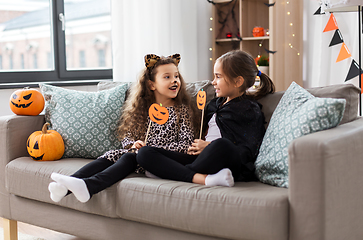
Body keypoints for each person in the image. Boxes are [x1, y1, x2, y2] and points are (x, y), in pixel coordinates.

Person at [48, 53, 199, 203]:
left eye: (176, 76)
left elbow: (186, 145)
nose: (174, 81)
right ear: (151, 84)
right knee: (112, 154)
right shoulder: (142, 109)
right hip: (138, 154)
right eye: (167, 77)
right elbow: (128, 135)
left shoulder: (182, 110)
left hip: (161, 160)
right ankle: (66, 185)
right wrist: (133, 144)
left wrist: (152, 148)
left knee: (128, 157)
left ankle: (88, 187)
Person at [136, 50, 275, 187]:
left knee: (222, 144)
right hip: (199, 159)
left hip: (224, 159)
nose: (213, 82)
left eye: (218, 77)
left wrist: (209, 147)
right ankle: (194, 176)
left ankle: (171, 172)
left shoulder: (249, 109)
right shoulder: (214, 104)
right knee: (144, 153)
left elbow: (248, 152)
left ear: (238, 81)